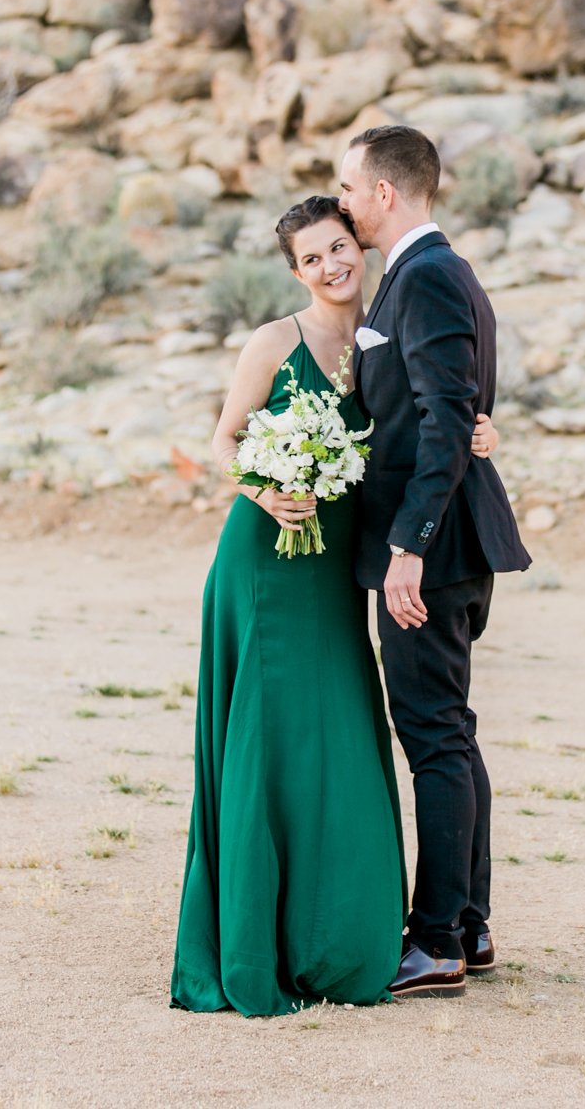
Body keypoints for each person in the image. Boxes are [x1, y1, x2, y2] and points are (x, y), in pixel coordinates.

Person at [171, 195, 500, 1017]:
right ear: (293, 272)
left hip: (342, 573)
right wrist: (264, 485)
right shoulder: (272, 342)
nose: (329, 267)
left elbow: (436, 410)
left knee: (344, 741)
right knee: (269, 739)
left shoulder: (384, 333)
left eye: (337, 247)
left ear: (360, 243)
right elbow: (222, 439)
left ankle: (344, 930)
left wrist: (478, 430)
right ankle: (261, 934)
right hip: (266, 565)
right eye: (309, 259)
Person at [338, 125, 531, 1000]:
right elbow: (444, 412)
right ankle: (471, 925)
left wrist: (405, 547)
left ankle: (436, 939)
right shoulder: (432, 276)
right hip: (444, 540)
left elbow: (449, 419)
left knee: (433, 740)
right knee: (449, 732)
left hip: (431, 549)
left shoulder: (425, 278)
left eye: (348, 187)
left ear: (385, 192)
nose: (341, 201)